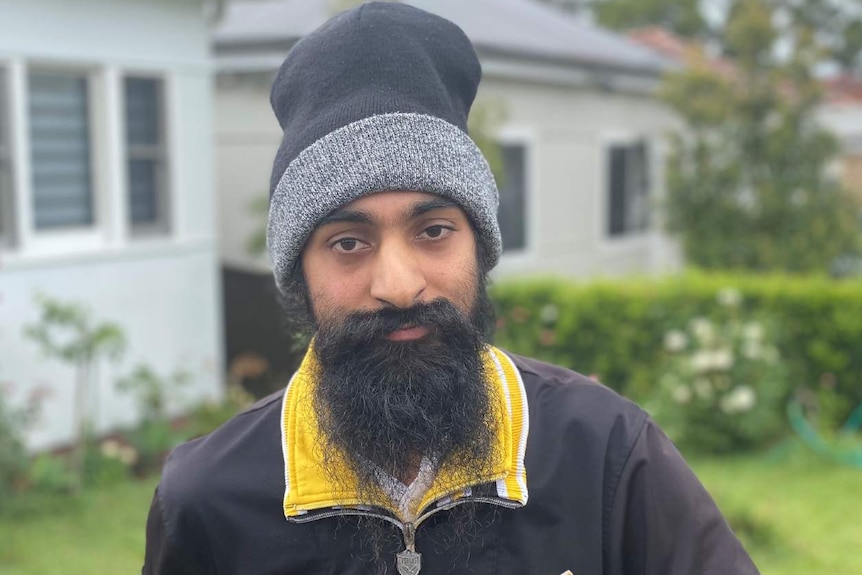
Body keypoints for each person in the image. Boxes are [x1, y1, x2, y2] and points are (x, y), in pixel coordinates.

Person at [142, 3, 760, 574]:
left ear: (481, 249)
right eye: (348, 243)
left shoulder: (606, 454)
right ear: (298, 274)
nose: (400, 285)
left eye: (433, 230)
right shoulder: (206, 501)